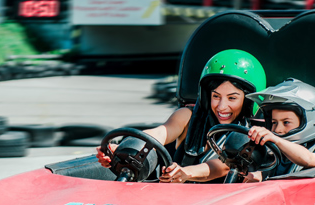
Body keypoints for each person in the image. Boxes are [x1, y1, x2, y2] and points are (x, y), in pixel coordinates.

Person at [96, 49, 267, 183]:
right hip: (174, 203)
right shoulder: (187, 117)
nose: (222, 106)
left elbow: (222, 167)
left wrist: (186, 173)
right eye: (216, 96)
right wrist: (125, 149)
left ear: (248, 101)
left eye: (232, 98)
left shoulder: (251, 135)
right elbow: (160, 133)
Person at [242, 78, 315, 182]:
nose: (278, 129)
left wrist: (276, 140)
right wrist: (254, 179)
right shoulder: (270, 153)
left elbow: (309, 159)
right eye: (274, 122)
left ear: (312, 120)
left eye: (286, 122)